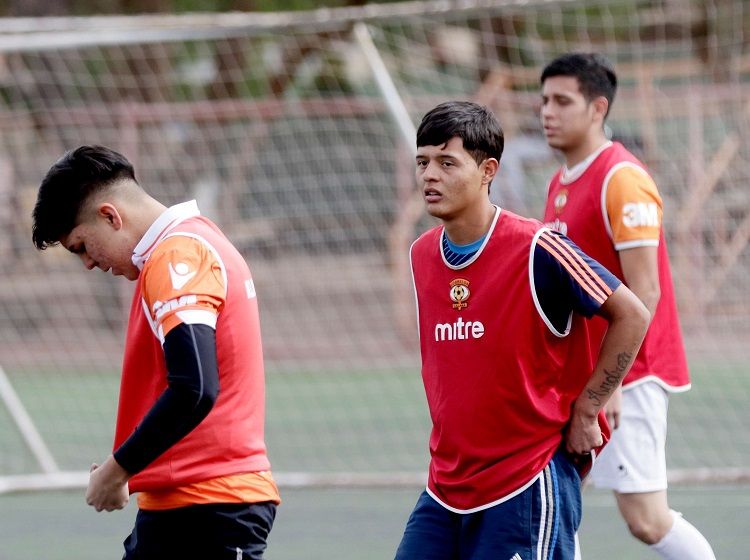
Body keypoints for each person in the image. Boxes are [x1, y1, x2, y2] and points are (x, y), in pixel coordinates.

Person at [394, 101, 650, 560]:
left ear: (488, 170)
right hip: (446, 486)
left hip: (526, 481)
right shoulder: (421, 255)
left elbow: (632, 314)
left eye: (447, 163)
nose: (429, 175)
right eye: (423, 163)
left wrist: (589, 409)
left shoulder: (539, 247)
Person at [31, 146, 279, 559]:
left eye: (81, 246)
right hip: (186, 507)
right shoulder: (191, 243)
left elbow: (195, 387)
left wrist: (118, 469)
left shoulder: (177, 255)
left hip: (209, 509)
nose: (88, 263)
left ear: (110, 216)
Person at [540, 53, 716, 559]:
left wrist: (605, 385)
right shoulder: (560, 181)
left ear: (597, 108)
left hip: (627, 376)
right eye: (544, 100)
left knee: (645, 519)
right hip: (582, 377)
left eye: (562, 101)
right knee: (554, 498)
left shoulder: (622, 178)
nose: (547, 111)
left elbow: (647, 291)